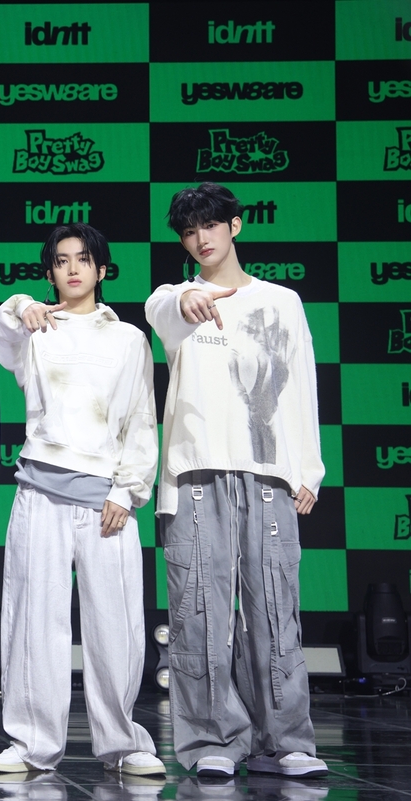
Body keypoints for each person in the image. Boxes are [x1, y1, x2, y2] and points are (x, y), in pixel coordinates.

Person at [145, 182, 327, 779]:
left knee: (275, 606)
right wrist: (187, 298)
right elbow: (164, 311)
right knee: (197, 610)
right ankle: (212, 742)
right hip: (195, 472)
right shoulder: (172, 300)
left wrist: (308, 467)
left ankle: (285, 742)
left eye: (210, 225)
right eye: (188, 231)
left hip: (269, 471)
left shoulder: (283, 301)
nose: (200, 238)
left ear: (235, 226)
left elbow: (301, 383)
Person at [0, 223, 163, 777]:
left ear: (102, 269)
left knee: (115, 626)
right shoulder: (34, 331)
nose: (72, 269)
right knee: (33, 623)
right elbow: (2, 335)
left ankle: (123, 743)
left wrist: (128, 490)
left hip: (106, 502)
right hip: (40, 494)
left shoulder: (128, 338)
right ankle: (31, 744)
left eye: (83, 259)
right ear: (50, 272)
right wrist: (21, 305)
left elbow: (141, 419)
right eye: (61, 261)